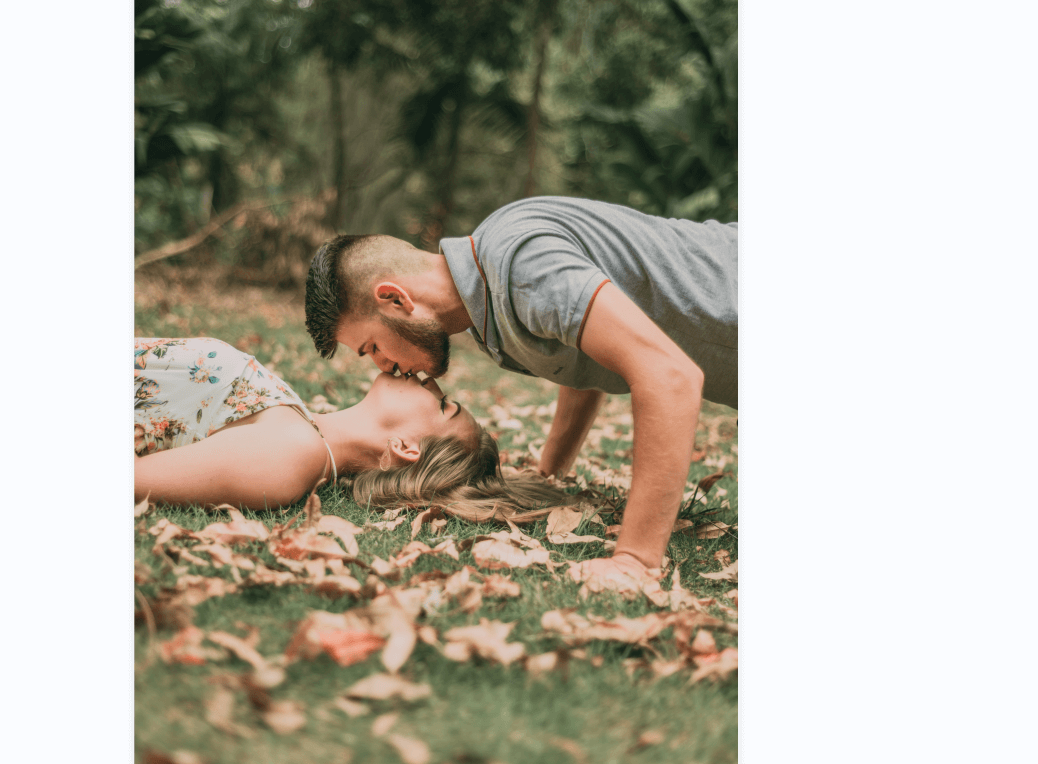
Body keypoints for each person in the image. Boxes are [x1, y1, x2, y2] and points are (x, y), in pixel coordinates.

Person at [304, 196, 737, 582]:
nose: (384, 366)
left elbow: (669, 376)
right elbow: (585, 352)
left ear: (396, 299)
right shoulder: (488, 307)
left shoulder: (520, 265)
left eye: (373, 347)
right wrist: (550, 472)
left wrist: (635, 561)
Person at [134, 337, 575, 516]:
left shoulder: (291, 456)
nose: (430, 380)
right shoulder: (299, 429)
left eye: (443, 405)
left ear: (406, 446)